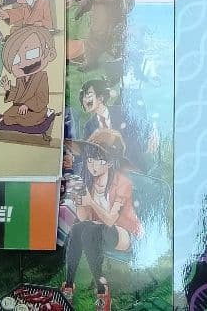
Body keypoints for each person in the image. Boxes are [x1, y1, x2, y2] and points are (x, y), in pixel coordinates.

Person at [62, 129, 143, 302]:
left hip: (125, 233)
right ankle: (68, 285)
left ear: (110, 162)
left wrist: (91, 202)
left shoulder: (123, 182)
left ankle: (102, 290)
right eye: (90, 159)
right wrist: (79, 201)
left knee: (91, 231)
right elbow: (84, 219)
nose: (93, 165)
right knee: (77, 229)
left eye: (99, 160)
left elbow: (110, 220)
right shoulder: (90, 181)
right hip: (97, 230)